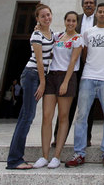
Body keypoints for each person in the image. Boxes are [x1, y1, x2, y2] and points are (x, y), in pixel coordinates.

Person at [66, 3, 104, 169]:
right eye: (100, 12)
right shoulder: (88, 32)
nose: (102, 14)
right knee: (81, 116)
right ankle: (79, 153)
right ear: (96, 14)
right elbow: (84, 55)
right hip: (88, 77)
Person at [6, 3, 55, 170]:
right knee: (27, 117)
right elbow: (39, 61)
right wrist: (42, 82)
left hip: (39, 77)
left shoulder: (51, 34)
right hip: (32, 75)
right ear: (37, 19)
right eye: (43, 16)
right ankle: (14, 160)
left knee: (25, 116)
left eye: (48, 15)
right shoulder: (36, 35)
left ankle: (15, 157)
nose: (46, 18)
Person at [35, 11, 83, 169]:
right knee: (47, 116)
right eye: (68, 20)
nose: (70, 23)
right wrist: (38, 27)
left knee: (63, 116)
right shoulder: (57, 36)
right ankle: (44, 155)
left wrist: (65, 82)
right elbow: (44, 34)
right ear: (64, 21)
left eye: (73, 21)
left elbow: (73, 61)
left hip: (67, 77)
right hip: (52, 76)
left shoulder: (78, 38)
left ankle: (56, 156)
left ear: (77, 23)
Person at [53, 0, 97, 147]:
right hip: (73, 66)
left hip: (91, 66)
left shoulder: (100, 20)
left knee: (89, 103)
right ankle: (59, 137)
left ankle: (86, 138)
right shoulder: (75, 19)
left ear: (95, 6)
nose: (89, 5)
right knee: (67, 103)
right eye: (86, 3)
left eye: (91, 3)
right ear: (82, 5)